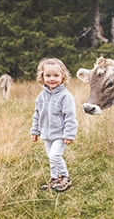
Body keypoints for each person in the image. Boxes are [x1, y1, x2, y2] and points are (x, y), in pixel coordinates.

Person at [30, 58, 78, 192]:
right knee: (51, 158)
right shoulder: (41, 97)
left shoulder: (65, 96)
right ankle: (54, 178)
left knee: (55, 155)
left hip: (60, 135)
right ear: (42, 76)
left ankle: (65, 177)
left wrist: (69, 134)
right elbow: (37, 115)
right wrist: (35, 131)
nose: (52, 79)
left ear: (63, 76)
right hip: (46, 135)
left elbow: (70, 117)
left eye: (56, 75)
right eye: (48, 75)